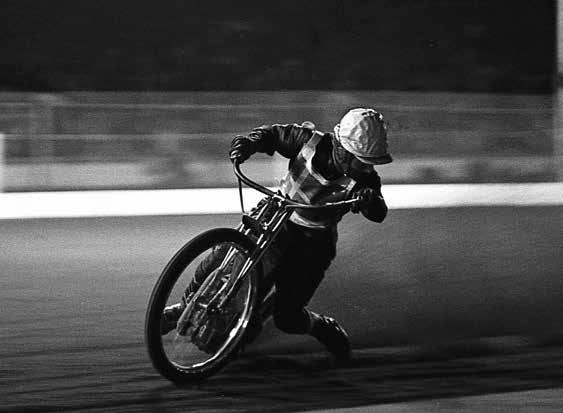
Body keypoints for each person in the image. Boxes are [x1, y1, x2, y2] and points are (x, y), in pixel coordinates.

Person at [163, 108, 392, 362]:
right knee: (223, 254)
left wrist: (369, 201)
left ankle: (322, 326)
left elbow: (379, 211)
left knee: (288, 317)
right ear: (341, 146)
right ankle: (183, 307)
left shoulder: (365, 180)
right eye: (360, 159)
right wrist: (250, 143)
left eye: (369, 162)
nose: (365, 166)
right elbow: (272, 135)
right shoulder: (308, 141)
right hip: (275, 216)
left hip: (313, 245)